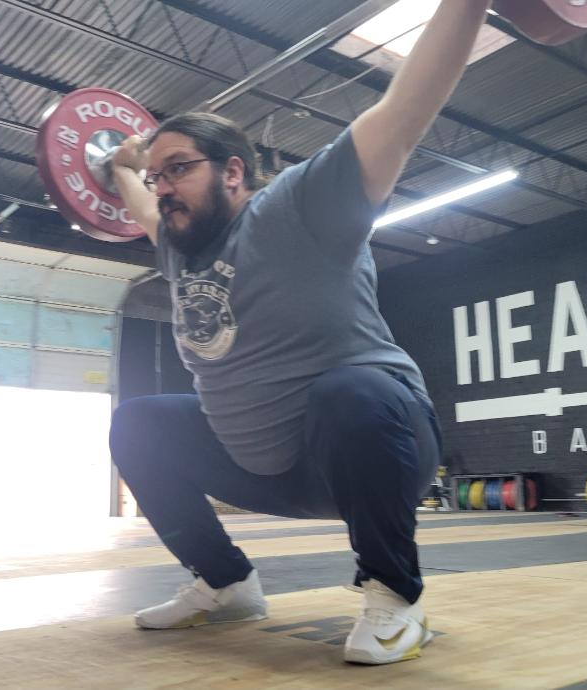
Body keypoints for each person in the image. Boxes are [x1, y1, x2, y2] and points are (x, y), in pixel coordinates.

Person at [107, 0, 494, 666]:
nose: (162, 188)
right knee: (137, 422)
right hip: (261, 467)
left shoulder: (295, 209)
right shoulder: (178, 245)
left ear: (232, 172)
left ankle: (397, 600)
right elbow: (133, 193)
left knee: (351, 393)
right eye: (156, 175)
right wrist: (121, 163)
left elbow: (404, 112)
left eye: (179, 170)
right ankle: (226, 584)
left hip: (369, 444)